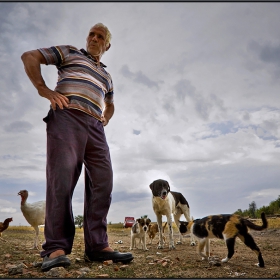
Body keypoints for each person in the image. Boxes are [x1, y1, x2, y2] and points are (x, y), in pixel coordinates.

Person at [21, 23, 133, 272]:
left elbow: (111, 104)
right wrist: (44, 90)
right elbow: (30, 56)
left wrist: (106, 117)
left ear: (107, 45)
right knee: (61, 178)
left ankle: (97, 246)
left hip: (95, 127)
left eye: (100, 36)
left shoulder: (107, 76)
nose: (93, 38)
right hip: (66, 117)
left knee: (104, 182)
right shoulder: (71, 53)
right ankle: (56, 247)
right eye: (91, 34)